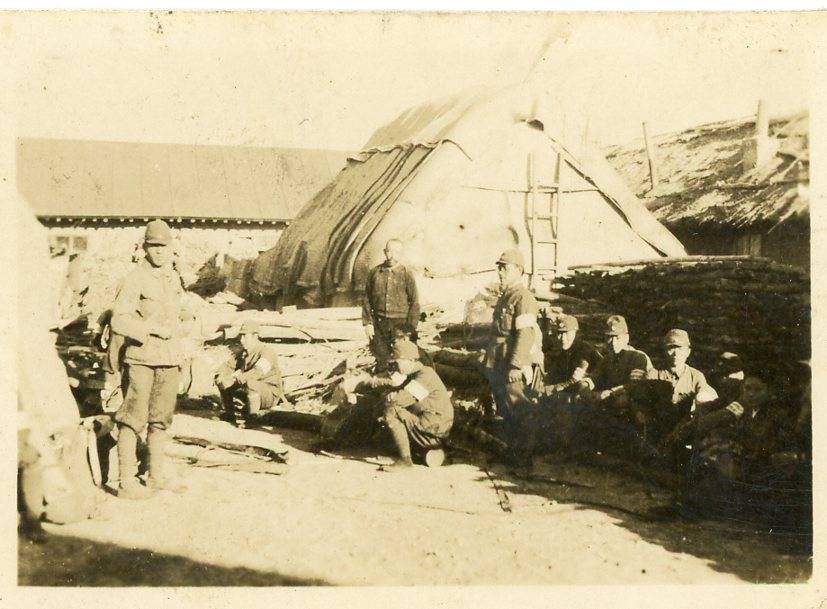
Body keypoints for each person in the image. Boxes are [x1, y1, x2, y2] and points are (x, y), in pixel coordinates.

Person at [110, 219, 186, 499]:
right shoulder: (134, 279)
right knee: (132, 419)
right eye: (154, 246)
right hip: (141, 359)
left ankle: (156, 477)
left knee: (161, 420)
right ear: (144, 248)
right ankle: (126, 482)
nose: (159, 251)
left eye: (164, 246)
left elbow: (177, 316)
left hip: (169, 359)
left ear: (171, 247)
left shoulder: (173, 278)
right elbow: (119, 320)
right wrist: (149, 329)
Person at [345, 339, 454, 471]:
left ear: (410, 360)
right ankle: (397, 453)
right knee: (383, 406)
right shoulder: (413, 375)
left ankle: (405, 461)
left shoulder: (425, 375)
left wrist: (393, 395)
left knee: (392, 410)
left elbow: (398, 400)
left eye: (397, 362)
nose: (395, 366)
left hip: (434, 431)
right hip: (427, 425)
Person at [481, 248, 543, 472]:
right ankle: (512, 452)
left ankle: (524, 459)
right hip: (498, 361)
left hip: (510, 363)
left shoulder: (523, 297)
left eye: (504, 268)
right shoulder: (506, 296)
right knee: (505, 409)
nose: (500, 272)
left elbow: (525, 334)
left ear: (518, 270)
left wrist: (516, 365)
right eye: (498, 267)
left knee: (520, 408)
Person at [635, 329, 719, 446]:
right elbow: (641, 405)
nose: (675, 353)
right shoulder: (653, 374)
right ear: (664, 350)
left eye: (680, 348)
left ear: (688, 352)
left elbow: (706, 399)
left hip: (684, 435)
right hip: (658, 435)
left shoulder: (696, 376)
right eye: (671, 348)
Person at [362, 239, 421, 369]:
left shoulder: (406, 273)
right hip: (379, 324)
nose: (392, 256)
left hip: (401, 324)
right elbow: (367, 299)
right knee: (382, 360)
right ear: (385, 252)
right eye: (389, 252)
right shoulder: (375, 273)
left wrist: (410, 329)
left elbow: (414, 302)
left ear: (401, 254)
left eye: (397, 252)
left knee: (403, 360)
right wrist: (368, 323)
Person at [215, 321, 286, 418]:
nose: (241, 340)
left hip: (269, 394)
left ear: (255, 336)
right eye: (240, 336)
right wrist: (221, 375)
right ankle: (229, 414)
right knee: (223, 380)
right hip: (249, 390)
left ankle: (253, 417)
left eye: (245, 336)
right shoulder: (244, 353)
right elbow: (228, 366)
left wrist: (235, 379)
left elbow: (258, 372)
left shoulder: (267, 352)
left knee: (250, 383)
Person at [542, 314, 601, 397]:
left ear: (576, 333)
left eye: (566, 333)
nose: (562, 338)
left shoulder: (583, 351)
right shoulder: (564, 351)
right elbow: (554, 374)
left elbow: (574, 380)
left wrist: (551, 389)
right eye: (560, 333)